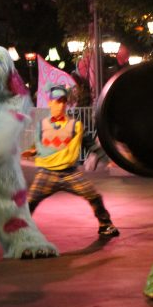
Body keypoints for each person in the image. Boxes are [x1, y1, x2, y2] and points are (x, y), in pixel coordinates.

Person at [25, 84, 118, 239]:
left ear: (67, 104)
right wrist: (30, 151)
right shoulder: (41, 125)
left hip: (69, 173)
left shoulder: (75, 125)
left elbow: (90, 144)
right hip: (47, 173)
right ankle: (21, 231)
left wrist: (107, 159)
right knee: (30, 201)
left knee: (93, 195)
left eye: (63, 102)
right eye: (57, 101)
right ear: (50, 103)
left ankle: (105, 224)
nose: (60, 105)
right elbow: (38, 145)